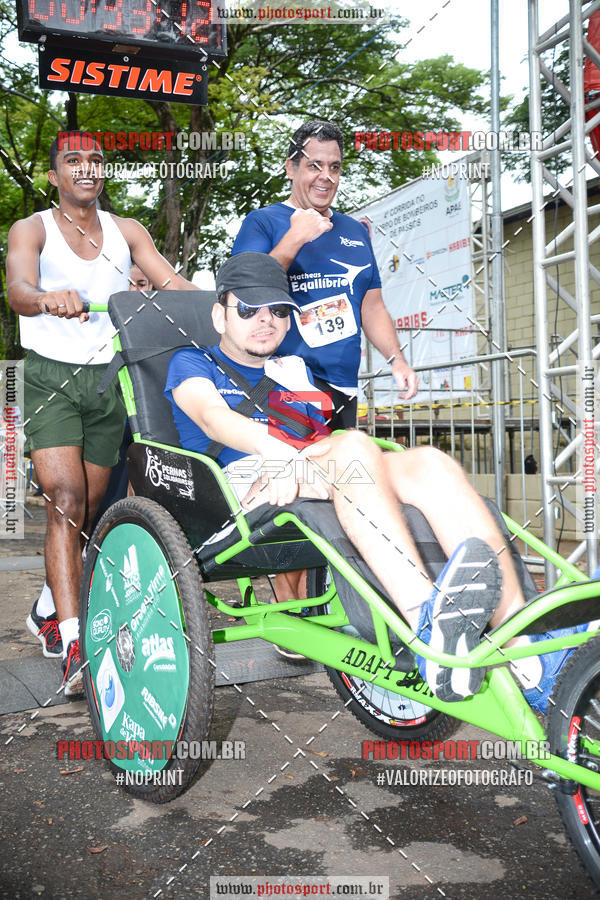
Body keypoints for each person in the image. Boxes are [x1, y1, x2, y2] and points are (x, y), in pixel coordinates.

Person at [165, 252, 593, 710]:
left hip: (315, 475)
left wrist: (310, 459)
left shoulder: (293, 372)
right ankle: (424, 624)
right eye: (248, 309)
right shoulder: (193, 362)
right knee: (352, 446)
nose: (265, 321)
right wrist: (282, 455)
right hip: (241, 487)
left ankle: (524, 644)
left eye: (278, 310)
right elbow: (213, 420)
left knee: (429, 462)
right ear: (219, 313)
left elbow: (321, 443)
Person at [7, 131, 197, 697]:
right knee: (63, 501)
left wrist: (225, 311)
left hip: (109, 380)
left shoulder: (127, 232)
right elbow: (17, 286)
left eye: (95, 160)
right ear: (54, 175)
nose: (86, 169)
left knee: (88, 514)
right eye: (73, 161)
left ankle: (46, 606)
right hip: (49, 377)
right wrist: (45, 297)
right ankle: (73, 642)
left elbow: (173, 285)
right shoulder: (33, 229)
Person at [232, 120, 419, 608]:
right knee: (291, 494)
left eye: (334, 167)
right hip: (285, 379)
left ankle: (315, 605)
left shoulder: (355, 229)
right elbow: (247, 292)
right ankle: (284, 608)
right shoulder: (265, 221)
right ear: (292, 167)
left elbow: (371, 304)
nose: (325, 176)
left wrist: (396, 358)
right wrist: (294, 238)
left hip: (341, 387)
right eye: (313, 165)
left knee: (341, 491)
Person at [27, 265, 156, 649]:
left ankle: (45, 607)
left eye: (142, 284)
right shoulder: (91, 322)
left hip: (132, 412)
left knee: (93, 521)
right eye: (127, 283)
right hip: (86, 401)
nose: (134, 289)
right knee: (72, 511)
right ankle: (72, 639)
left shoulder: (152, 321)